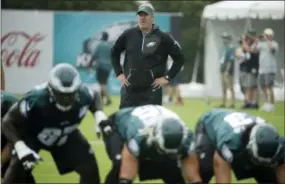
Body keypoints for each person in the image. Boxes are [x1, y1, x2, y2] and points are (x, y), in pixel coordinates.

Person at [1, 63, 108, 183]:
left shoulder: (84, 94)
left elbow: (95, 95)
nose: (67, 100)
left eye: (70, 94)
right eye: (62, 95)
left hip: (64, 134)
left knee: (89, 168)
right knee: (18, 167)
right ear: (50, 90)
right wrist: (21, 147)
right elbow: (7, 121)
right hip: (32, 134)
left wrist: (99, 114)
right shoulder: (36, 99)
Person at [99, 105, 202, 183]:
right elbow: (126, 176)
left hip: (152, 121)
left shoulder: (187, 139)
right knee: (119, 164)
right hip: (117, 126)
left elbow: (193, 177)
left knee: (172, 169)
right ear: (154, 137)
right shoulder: (138, 136)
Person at [111, 3, 184, 109]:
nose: (142, 18)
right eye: (140, 15)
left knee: (150, 125)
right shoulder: (128, 35)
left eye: (146, 15)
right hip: (129, 91)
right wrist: (119, 73)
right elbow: (114, 52)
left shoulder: (163, 37)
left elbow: (179, 59)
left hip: (152, 92)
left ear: (152, 17)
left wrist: (167, 77)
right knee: (125, 123)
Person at [195, 109, 285, 183]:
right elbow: (222, 178)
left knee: (271, 178)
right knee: (204, 170)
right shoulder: (229, 142)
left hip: (239, 136)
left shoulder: (277, 143)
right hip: (210, 125)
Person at [1, 91, 36, 183]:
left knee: (14, 168)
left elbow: (13, 140)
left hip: (24, 126)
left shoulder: (7, 107)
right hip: (10, 122)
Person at [255, 28, 279, 112]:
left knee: (269, 87)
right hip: (262, 68)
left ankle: (272, 105)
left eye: (267, 35)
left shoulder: (274, 44)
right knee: (263, 87)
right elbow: (254, 50)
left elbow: (273, 50)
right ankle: (266, 103)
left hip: (270, 68)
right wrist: (257, 40)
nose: (265, 36)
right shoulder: (261, 44)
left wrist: (268, 39)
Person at [91, 31, 113, 106]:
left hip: (101, 66)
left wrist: (89, 64)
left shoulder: (99, 45)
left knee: (102, 84)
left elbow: (94, 55)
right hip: (108, 67)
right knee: (103, 83)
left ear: (102, 37)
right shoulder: (110, 45)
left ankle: (108, 98)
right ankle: (101, 101)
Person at [240, 30, 259, 109]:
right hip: (248, 68)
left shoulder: (256, 43)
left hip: (253, 67)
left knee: (253, 86)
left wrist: (243, 40)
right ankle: (248, 102)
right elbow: (244, 49)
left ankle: (254, 103)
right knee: (248, 86)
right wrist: (244, 41)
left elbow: (249, 50)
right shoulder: (249, 43)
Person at [219, 32, 235, 108]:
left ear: (229, 39)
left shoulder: (231, 48)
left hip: (227, 71)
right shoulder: (223, 48)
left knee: (230, 87)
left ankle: (232, 103)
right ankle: (223, 102)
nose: (224, 40)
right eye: (223, 38)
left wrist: (227, 71)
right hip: (222, 70)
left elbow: (230, 61)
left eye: (225, 38)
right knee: (223, 87)